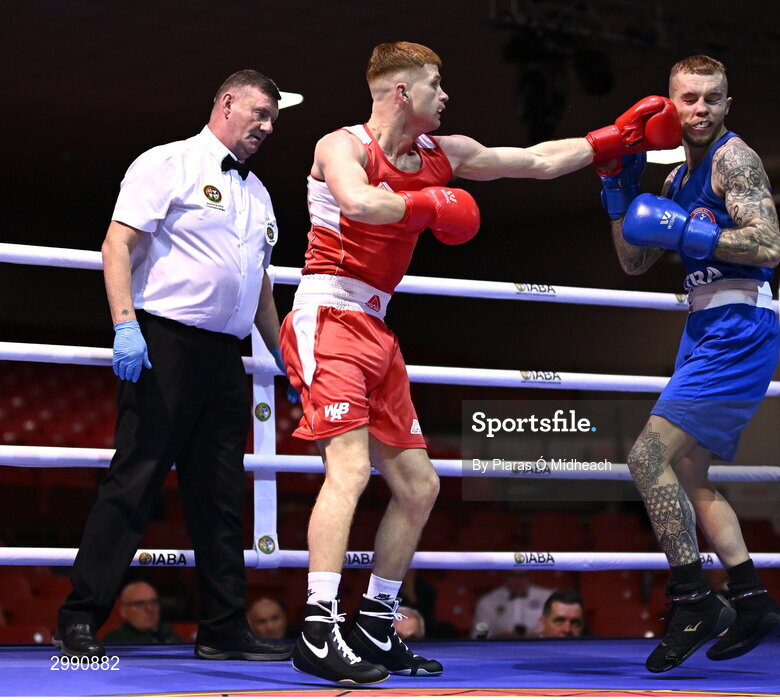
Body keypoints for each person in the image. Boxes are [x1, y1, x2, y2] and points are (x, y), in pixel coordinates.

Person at [278, 40, 681, 685]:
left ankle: (374, 626)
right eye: (436, 84)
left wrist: (615, 138)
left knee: (419, 486)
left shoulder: (446, 153)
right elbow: (357, 202)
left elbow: (539, 161)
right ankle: (318, 629)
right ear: (402, 91)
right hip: (327, 314)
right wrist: (429, 206)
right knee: (349, 470)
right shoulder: (343, 145)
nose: (447, 96)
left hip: (376, 327)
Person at [54, 70, 292, 664]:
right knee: (134, 482)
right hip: (164, 341)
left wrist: (286, 354)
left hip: (225, 356)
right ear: (227, 103)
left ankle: (223, 627)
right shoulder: (167, 164)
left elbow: (258, 287)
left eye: (273, 120)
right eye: (260, 113)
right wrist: (125, 324)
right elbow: (117, 245)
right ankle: (79, 619)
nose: (267, 127)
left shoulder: (259, 193)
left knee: (218, 497)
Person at [595, 55, 780, 673]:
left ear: (728, 104)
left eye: (712, 97)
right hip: (703, 325)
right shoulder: (677, 181)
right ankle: (753, 600)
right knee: (687, 473)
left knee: (645, 456)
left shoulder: (736, 159)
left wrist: (692, 234)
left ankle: (691, 596)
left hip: (739, 323)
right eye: (688, 98)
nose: (700, 108)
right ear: (669, 105)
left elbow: (767, 245)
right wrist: (619, 193)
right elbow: (633, 261)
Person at [473, 572, 553, 639]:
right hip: (501, 650)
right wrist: (498, 638)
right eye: (513, 575)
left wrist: (540, 637)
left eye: (523, 575)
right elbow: (479, 634)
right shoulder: (487, 601)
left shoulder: (547, 597)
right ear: (504, 575)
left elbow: (558, 630)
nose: (518, 580)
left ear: (530, 576)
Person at [103, 582, 184, 644]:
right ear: (124, 611)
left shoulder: (170, 635)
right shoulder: (115, 642)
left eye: (153, 602)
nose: (150, 609)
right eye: (140, 603)